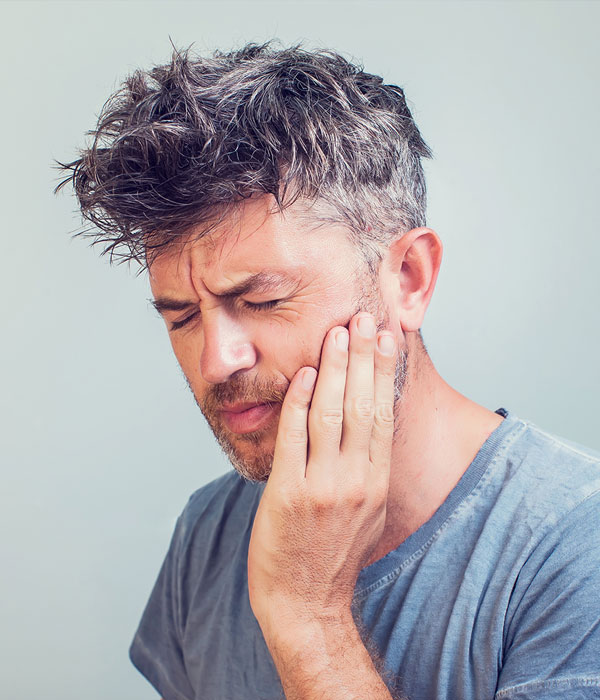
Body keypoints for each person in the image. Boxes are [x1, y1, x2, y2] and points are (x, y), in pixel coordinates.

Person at [57, 42, 600, 700]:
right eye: (180, 317)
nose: (214, 359)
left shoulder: (576, 545)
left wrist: (306, 616)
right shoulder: (209, 530)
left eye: (262, 300)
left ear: (408, 279)